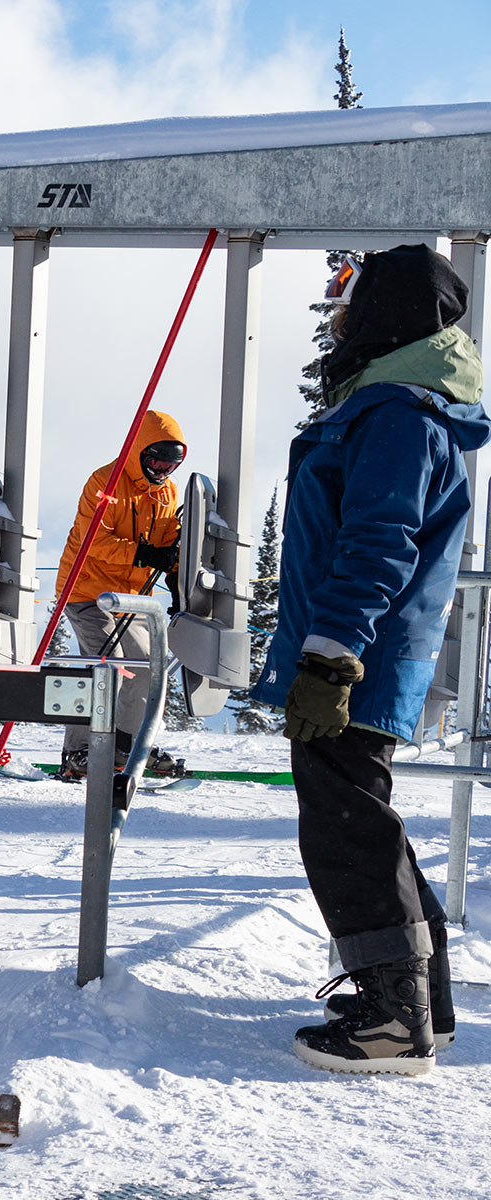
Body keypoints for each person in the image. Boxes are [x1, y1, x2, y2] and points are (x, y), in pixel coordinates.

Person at [255, 244, 485, 1075]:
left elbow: (378, 544)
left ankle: (394, 1021)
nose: (342, 314)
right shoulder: (395, 408)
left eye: (354, 298)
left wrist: (331, 659)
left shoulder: (395, 415)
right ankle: (423, 1001)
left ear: (390, 312)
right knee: (363, 818)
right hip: (362, 652)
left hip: (357, 659)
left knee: (347, 830)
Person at [53, 409, 187, 783]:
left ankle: (126, 745)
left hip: (130, 596)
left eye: (171, 465)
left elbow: (167, 543)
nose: (163, 471)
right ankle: (78, 750)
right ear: (139, 452)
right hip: (86, 589)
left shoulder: (168, 492)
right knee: (107, 664)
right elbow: (93, 540)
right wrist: (145, 554)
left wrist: (176, 576)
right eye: (157, 462)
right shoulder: (105, 482)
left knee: (148, 665)